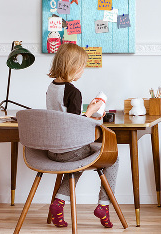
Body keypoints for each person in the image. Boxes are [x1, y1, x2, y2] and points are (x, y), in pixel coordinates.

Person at [46, 43, 119, 228]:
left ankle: (59, 203)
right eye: (82, 67)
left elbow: (64, 117)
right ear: (73, 67)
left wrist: (88, 113)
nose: (82, 71)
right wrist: (92, 111)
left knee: (77, 162)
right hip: (69, 150)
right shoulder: (73, 92)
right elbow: (75, 124)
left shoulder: (51, 88)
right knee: (112, 157)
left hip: (52, 150)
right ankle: (104, 205)